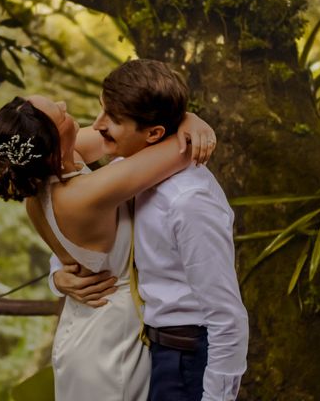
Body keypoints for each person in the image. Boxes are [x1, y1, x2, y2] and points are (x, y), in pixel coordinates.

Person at [0, 88, 215, 400]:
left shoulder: (46, 180)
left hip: (83, 326)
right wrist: (190, 119)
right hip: (109, 340)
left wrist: (185, 118)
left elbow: (120, 136)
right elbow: (178, 150)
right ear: (52, 144)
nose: (65, 104)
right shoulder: (84, 195)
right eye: (59, 113)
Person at [49, 59, 249, 401]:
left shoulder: (189, 200)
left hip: (187, 356)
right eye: (101, 110)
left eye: (112, 118)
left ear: (154, 133)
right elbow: (83, 226)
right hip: (149, 348)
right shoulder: (126, 167)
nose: (96, 125)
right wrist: (58, 273)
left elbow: (227, 316)